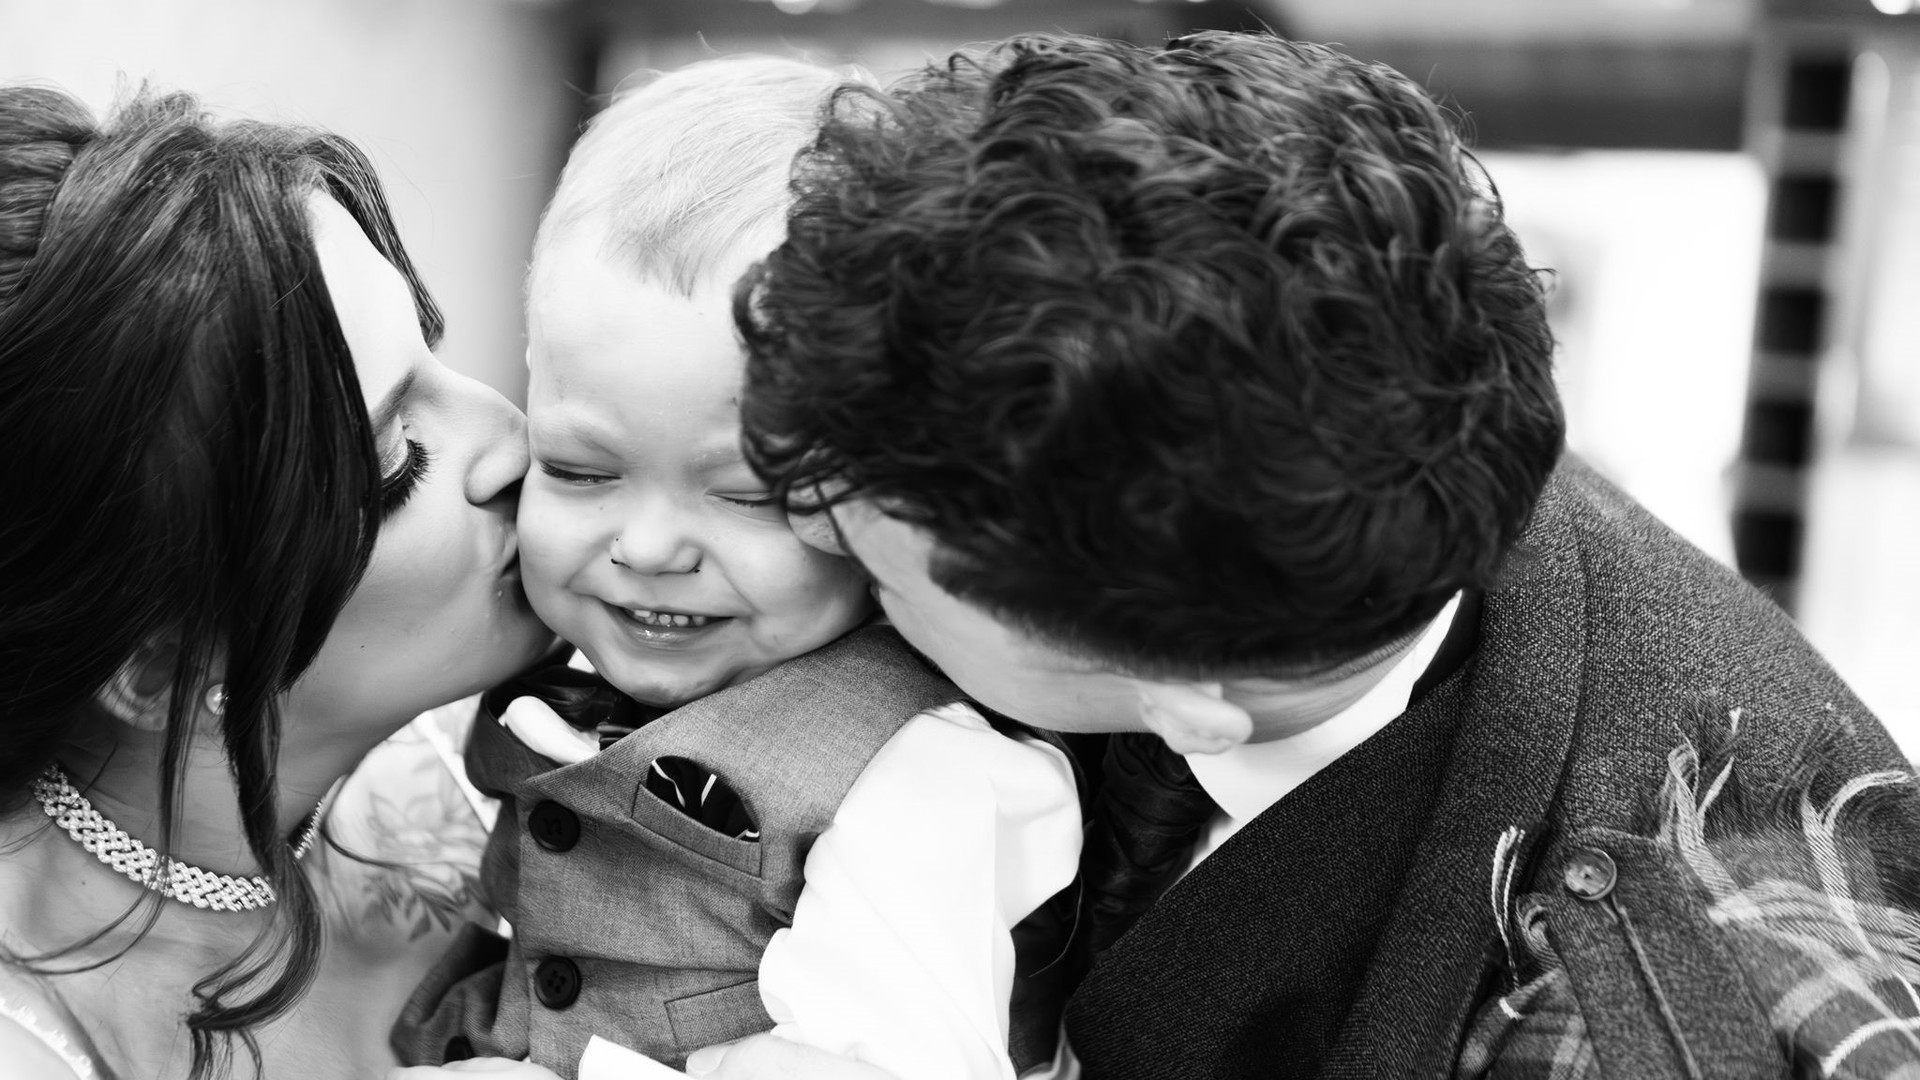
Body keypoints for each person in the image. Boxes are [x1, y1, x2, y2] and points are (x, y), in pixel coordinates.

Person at [709, 31, 1920, 1080]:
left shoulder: (1630, 1022)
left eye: (889, 574)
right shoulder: (1352, 410)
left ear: (1180, 704)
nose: (809, 531)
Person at [388, 56, 1080, 1080]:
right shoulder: (517, 686)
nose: (651, 548)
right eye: (579, 471)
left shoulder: (921, 774)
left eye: (750, 495)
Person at [0, 86, 556, 1080]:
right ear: (160, 666)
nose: (517, 439)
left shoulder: (515, 776)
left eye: (436, 351)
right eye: (398, 456)